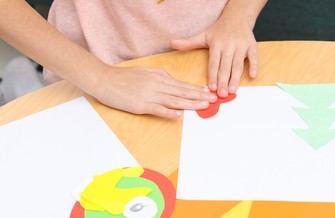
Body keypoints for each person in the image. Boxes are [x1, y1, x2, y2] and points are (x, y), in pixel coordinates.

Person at [1, 0, 267, 119]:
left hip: (210, 55)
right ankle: (23, 87)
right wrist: (101, 78)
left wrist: (239, 14)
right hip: (92, 69)